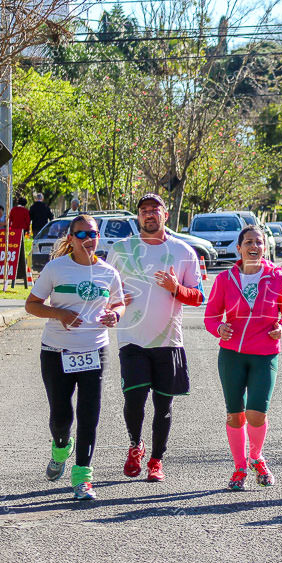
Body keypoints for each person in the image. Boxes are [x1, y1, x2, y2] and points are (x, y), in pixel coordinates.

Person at [25, 215, 125, 500]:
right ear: (70, 239)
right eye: (81, 235)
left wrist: (115, 314)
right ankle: (60, 447)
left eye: (92, 234)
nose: (88, 240)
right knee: (60, 415)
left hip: (94, 350)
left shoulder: (108, 272)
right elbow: (31, 305)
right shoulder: (57, 269)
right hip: (56, 351)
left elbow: (118, 303)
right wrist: (59, 313)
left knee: (89, 414)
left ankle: (82, 477)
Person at [107, 194, 205, 483]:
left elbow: (198, 296)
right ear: (138, 217)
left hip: (168, 341)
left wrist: (176, 288)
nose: (149, 214)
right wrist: (114, 299)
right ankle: (136, 445)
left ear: (166, 214)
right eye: (144, 210)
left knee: (163, 406)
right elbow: (106, 287)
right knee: (134, 400)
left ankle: (156, 461)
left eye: (155, 210)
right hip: (132, 339)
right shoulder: (121, 250)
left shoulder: (184, 251)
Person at [204, 225, 282, 490]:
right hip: (231, 355)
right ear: (239, 248)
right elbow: (211, 316)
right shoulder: (225, 279)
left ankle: (256, 456)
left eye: (258, 242)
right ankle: (239, 467)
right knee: (235, 416)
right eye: (248, 242)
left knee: (256, 415)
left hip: (264, 355)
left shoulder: (276, 277)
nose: (253, 246)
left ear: (265, 248)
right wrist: (219, 328)